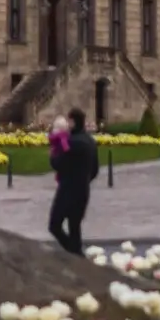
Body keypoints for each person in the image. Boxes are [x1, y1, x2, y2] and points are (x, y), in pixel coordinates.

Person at [47, 107, 99, 255]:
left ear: (73, 122)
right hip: (83, 190)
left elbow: (58, 163)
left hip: (67, 190)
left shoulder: (71, 142)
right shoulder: (90, 141)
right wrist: (84, 180)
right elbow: (95, 169)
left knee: (54, 225)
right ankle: (77, 256)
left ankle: (75, 253)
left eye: (69, 121)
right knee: (74, 227)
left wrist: (52, 155)